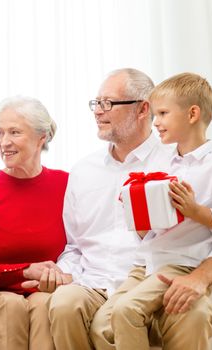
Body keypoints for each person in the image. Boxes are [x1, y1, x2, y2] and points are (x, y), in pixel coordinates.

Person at [92, 72, 212, 350]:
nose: (156, 123)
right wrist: (138, 209)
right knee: (103, 327)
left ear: (192, 114)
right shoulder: (163, 161)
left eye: (163, 114)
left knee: (126, 312)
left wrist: (195, 210)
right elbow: (152, 229)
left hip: (182, 263)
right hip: (149, 262)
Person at [44, 68, 175, 350]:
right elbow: (74, 245)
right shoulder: (82, 171)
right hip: (92, 282)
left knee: (113, 322)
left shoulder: (173, 162)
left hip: (146, 282)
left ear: (142, 109)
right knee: (64, 304)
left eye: (108, 103)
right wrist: (66, 272)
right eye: (96, 103)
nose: (98, 111)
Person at [0, 96, 68, 350]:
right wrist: (25, 271)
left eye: (15, 132)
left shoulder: (66, 185)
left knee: (44, 303)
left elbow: (85, 246)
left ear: (41, 138)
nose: (4, 142)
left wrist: (60, 277)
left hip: (47, 291)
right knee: (9, 305)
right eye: (0, 132)